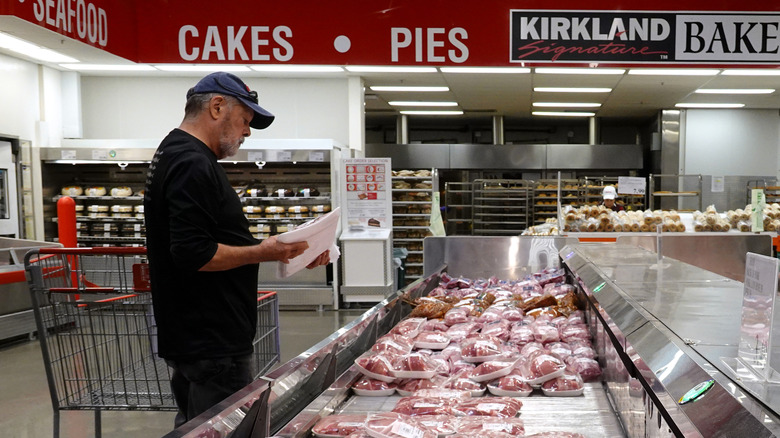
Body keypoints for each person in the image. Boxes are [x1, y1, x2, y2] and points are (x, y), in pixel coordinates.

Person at [143, 71, 330, 428]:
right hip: (212, 341)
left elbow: (201, 241)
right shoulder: (192, 163)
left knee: (195, 428)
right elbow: (194, 253)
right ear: (217, 107)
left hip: (196, 335)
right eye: (245, 120)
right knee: (223, 431)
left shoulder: (175, 152)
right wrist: (264, 252)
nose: (247, 132)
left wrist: (289, 251)